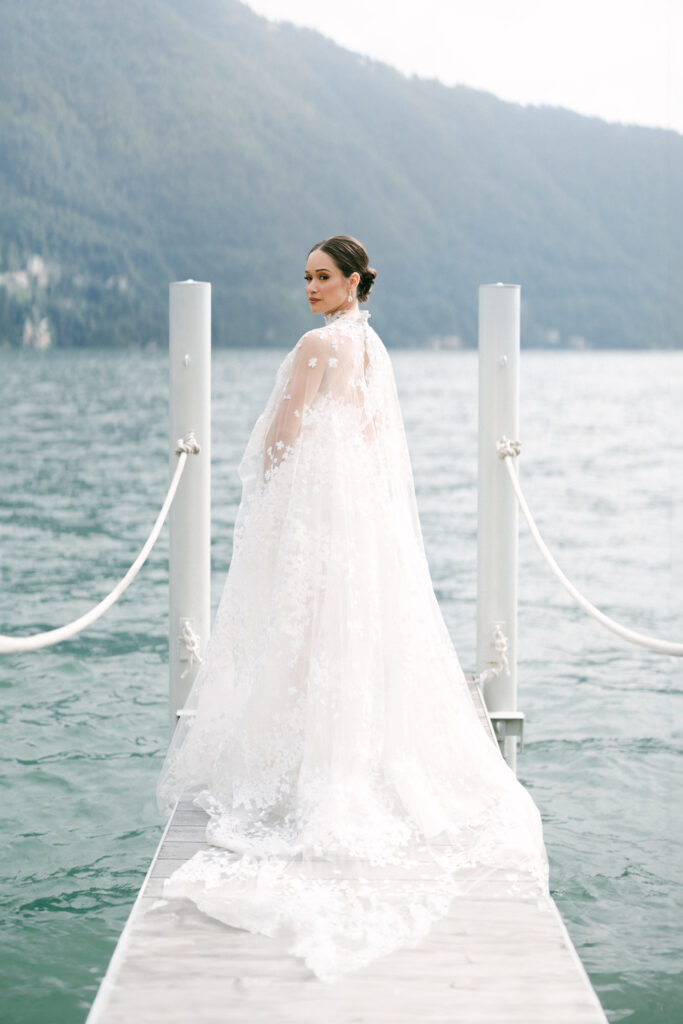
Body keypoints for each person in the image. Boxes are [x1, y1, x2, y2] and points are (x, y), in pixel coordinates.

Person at [155, 235, 549, 981]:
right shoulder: (374, 349)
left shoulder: (315, 347)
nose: (309, 287)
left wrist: (268, 495)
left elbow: (283, 431)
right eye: (304, 277)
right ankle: (345, 754)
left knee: (306, 635)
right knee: (351, 636)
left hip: (317, 510)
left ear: (353, 282)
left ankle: (313, 766)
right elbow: (373, 440)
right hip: (358, 515)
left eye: (322, 276)